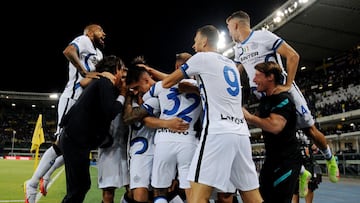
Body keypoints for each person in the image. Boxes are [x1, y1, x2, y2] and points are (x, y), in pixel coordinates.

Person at [226, 10, 339, 183]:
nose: (229, 33)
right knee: (275, 141)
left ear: (235, 25)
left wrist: (286, 85)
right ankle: (302, 173)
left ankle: (330, 157)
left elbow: (293, 56)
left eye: (229, 28)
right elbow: (233, 72)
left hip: (285, 94)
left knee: (309, 130)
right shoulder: (239, 49)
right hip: (264, 99)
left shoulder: (263, 36)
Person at [162, 24, 263, 203]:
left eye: (195, 41)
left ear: (204, 41)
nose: (193, 46)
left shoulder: (201, 58)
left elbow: (167, 83)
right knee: (253, 197)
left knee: (197, 195)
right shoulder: (231, 64)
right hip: (240, 134)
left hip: (217, 132)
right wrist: (197, 86)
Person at [24, 24, 106, 203]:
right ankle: (32, 183)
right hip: (73, 97)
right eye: (100, 30)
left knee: (76, 147)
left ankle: (47, 175)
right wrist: (84, 72)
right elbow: (68, 51)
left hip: (85, 103)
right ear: (90, 32)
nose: (104, 34)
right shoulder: (84, 40)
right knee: (61, 142)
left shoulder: (99, 54)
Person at [58, 55, 127, 203]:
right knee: (78, 187)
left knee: (80, 186)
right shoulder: (105, 83)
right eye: (122, 70)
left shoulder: (100, 83)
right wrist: (122, 95)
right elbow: (110, 111)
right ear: (116, 69)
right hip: (75, 141)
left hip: (74, 140)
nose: (123, 75)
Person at [242, 61, 302, 202]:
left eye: (258, 76)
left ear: (270, 77)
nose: (254, 80)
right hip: (271, 161)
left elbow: (275, 126)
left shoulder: (283, 98)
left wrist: (249, 117)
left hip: (286, 161)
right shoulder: (265, 100)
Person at [292, 132, 322, 203]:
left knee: (309, 186)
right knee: (294, 189)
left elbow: (315, 143)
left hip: (308, 162)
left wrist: (315, 146)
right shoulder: (289, 126)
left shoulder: (306, 127)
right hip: (294, 160)